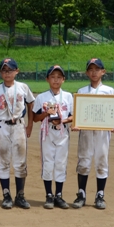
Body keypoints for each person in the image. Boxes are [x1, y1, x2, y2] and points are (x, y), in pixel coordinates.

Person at [72, 58, 114, 210]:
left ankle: (100, 195)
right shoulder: (82, 91)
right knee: (83, 161)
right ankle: (81, 194)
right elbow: (78, 112)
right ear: (87, 72)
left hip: (102, 132)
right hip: (86, 131)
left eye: (97, 69)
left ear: (103, 72)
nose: (94, 72)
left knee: (101, 161)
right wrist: (76, 123)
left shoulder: (109, 91)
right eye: (91, 69)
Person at [0, 58, 35, 209]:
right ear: (0, 72)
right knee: (3, 162)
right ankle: (6, 195)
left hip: (19, 126)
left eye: (10, 70)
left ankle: (20, 195)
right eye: (4, 70)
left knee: (20, 162)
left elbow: (31, 104)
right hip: (2, 126)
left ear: (17, 71)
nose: (7, 73)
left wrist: (29, 125)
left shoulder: (23, 87)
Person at [32, 65, 73, 210]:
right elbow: (35, 118)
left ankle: (59, 195)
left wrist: (62, 120)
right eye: (53, 77)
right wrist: (46, 114)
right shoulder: (41, 97)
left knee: (61, 163)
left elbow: (73, 116)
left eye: (59, 77)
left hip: (62, 132)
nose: (56, 80)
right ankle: (49, 195)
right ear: (47, 79)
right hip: (47, 132)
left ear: (63, 80)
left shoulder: (68, 96)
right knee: (48, 163)